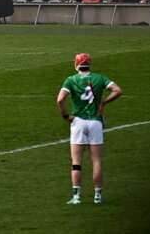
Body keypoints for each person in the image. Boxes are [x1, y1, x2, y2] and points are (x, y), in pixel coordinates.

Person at [56, 53, 123, 205]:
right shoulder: (99, 78)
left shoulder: (71, 80)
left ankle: (77, 196)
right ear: (89, 64)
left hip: (78, 122)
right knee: (97, 161)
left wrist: (66, 116)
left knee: (76, 162)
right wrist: (103, 103)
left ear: (76, 64)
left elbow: (60, 99)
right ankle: (97, 196)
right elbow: (117, 90)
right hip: (95, 121)